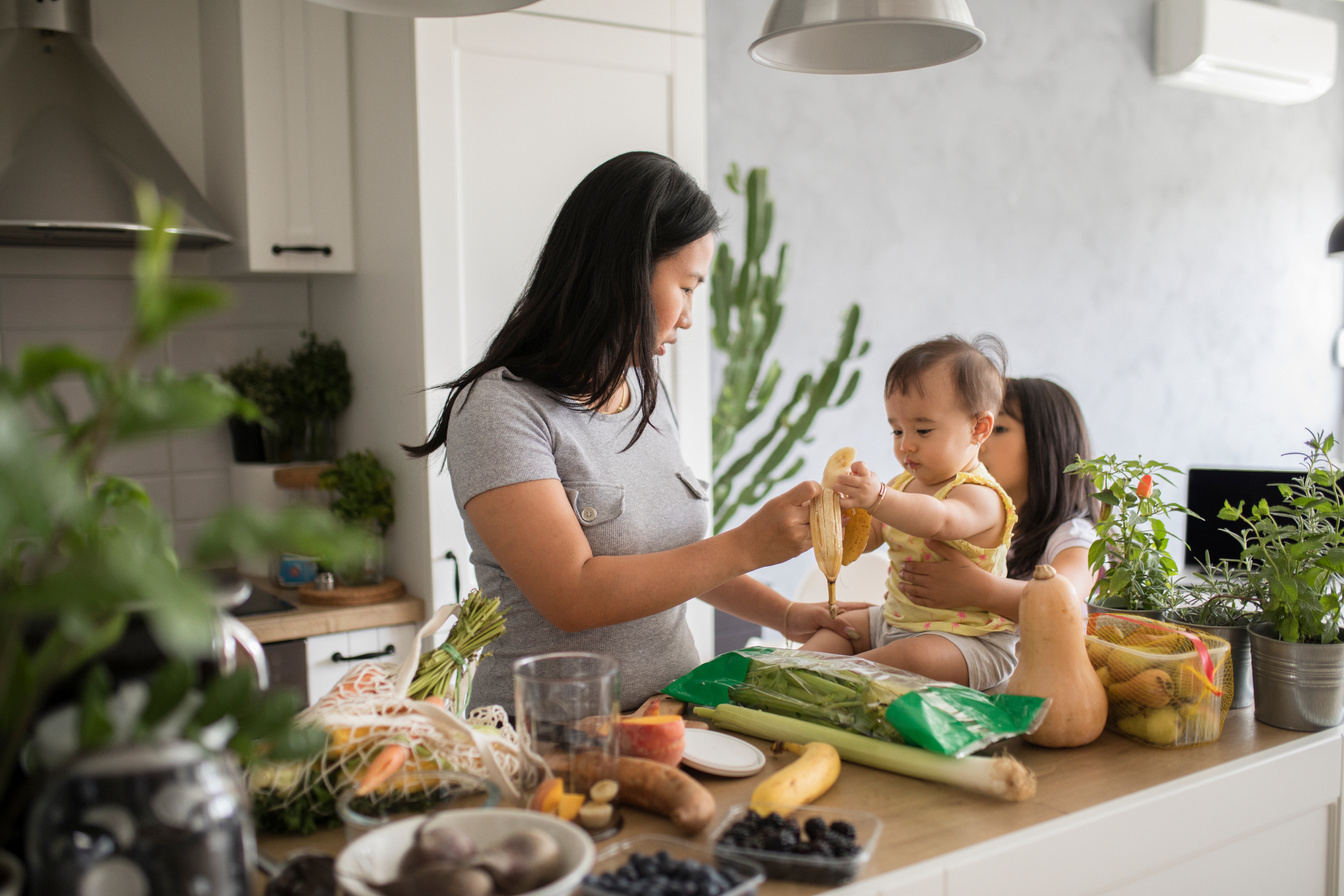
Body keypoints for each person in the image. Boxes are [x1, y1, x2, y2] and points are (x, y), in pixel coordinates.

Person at [403, 151, 863, 714]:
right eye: (688, 287)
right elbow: (572, 594)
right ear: (626, 271)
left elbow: (674, 561)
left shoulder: (645, 388)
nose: (690, 316)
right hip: (553, 743)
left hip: (674, 719)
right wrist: (746, 544)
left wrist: (785, 615)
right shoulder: (500, 409)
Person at [801, 334, 1017, 688]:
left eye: (923, 429)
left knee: (906, 659)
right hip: (894, 621)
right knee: (831, 637)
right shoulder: (903, 485)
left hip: (967, 641)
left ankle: (837, 680)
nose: (905, 445)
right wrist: (838, 520)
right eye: (897, 430)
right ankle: (798, 674)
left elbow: (939, 520)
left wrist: (878, 498)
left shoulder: (981, 495)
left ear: (979, 428)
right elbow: (870, 538)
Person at [896, 376, 1098, 624]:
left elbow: (1061, 603)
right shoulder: (979, 524)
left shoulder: (1073, 537)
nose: (979, 443)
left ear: (1048, 443)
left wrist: (979, 590)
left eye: (998, 429)